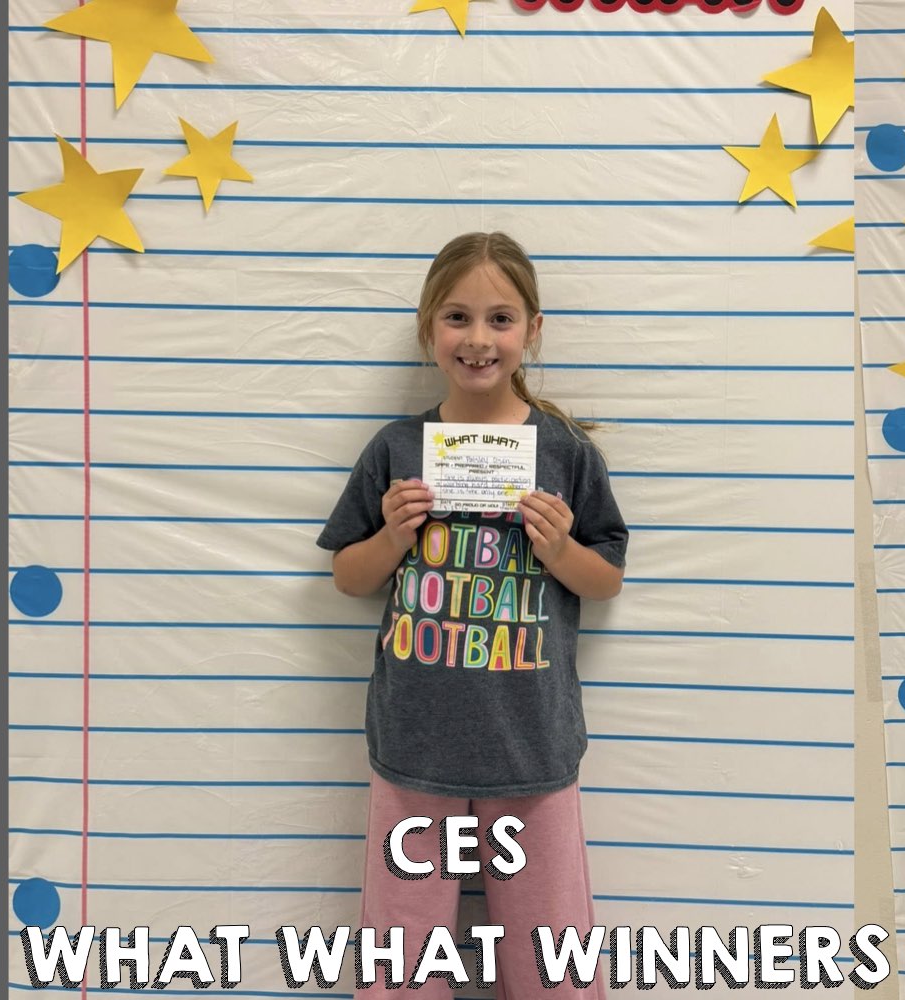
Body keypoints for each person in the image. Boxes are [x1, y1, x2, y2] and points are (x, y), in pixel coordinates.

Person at [318, 232, 630, 996]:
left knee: (550, 951)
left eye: (500, 318)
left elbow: (606, 578)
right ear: (429, 330)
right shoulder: (396, 448)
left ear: (532, 330)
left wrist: (559, 550)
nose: (479, 339)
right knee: (403, 953)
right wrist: (392, 534)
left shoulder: (564, 452)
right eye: (458, 318)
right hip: (415, 742)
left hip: (532, 743)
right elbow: (347, 577)